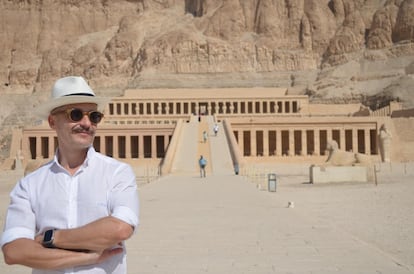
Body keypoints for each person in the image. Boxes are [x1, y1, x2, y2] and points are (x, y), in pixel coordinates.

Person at [1, 76, 139, 274]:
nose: (86, 123)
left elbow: (120, 229)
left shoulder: (117, 173)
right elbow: (15, 251)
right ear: (52, 122)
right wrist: (87, 257)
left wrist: (50, 238)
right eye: (75, 114)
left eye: (94, 116)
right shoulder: (29, 185)